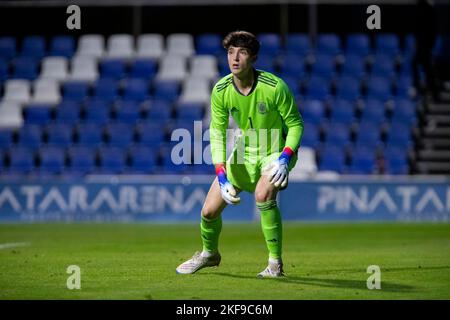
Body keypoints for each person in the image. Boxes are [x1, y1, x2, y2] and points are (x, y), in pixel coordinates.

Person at [176, 31, 304, 277]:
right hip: (246, 151)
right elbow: (217, 133)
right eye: (230, 52)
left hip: (276, 151)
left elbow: (296, 124)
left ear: (253, 57)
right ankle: (209, 254)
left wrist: (286, 158)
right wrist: (222, 175)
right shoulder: (221, 90)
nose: (234, 58)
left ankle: (275, 264)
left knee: (263, 194)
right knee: (208, 211)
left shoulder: (275, 87)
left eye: (242, 52)